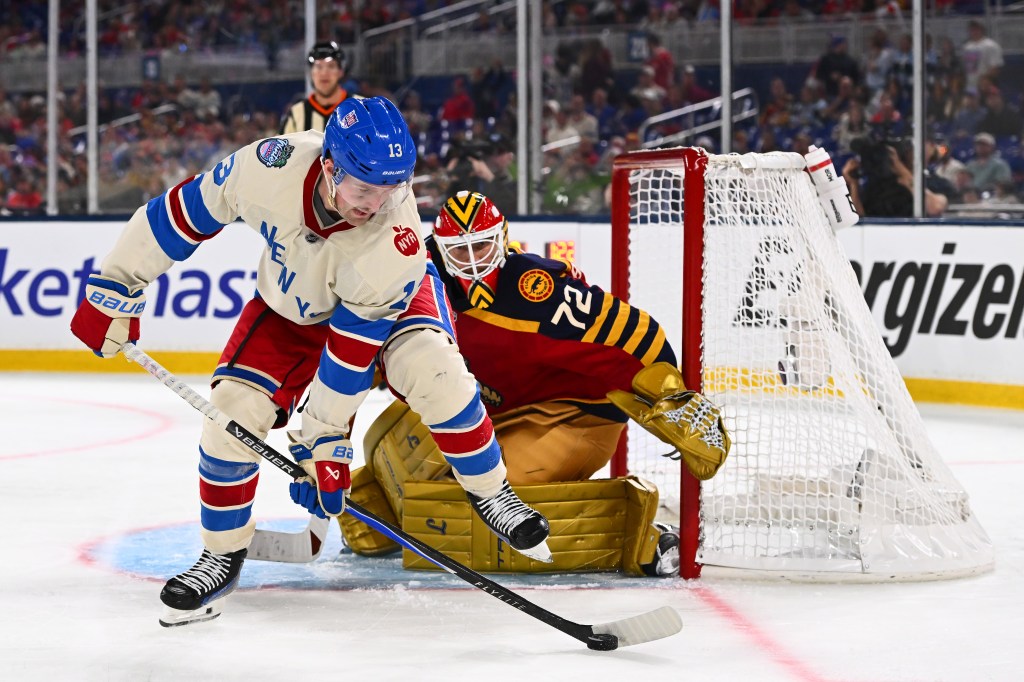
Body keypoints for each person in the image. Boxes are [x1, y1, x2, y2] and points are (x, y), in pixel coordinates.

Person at [70, 97, 550, 627]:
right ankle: (223, 553)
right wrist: (116, 284)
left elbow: (349, 355)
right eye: (364, 188)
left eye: (392, 188)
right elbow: (178, 217)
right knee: (228, 414)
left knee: (440, 375)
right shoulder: (266, 169)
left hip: (389, 306)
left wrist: (322, 442)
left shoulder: (395, 243)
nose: (377, 203)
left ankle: (492, 494)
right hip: (289, 307)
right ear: (328, 167)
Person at [337, 191, 731, 578]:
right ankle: (380, 512)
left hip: (576, 413)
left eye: (482, 248)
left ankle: (639, 536)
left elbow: (627, 332)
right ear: (439, 248)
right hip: (490, 404)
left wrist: (668, 394)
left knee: (501, 501)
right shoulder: (416, 280)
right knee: (390, 438)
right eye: (460, 251)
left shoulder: (535, 291)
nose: (473, 264)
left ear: (503, 240)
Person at [279, 41, 354, 134]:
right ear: (311, 73)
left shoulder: (362, 106)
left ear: (341, 72)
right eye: (318, 66)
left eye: (331, 66)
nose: (324, 73)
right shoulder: (296, 114)